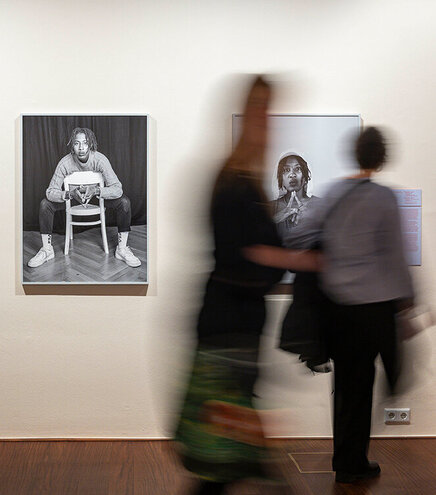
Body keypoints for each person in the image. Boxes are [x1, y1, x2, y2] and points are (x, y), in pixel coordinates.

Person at [175, 76, 320, 495]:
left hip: (239, 324)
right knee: (225, 452)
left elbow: (256, 251)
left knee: (227, 453)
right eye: (263, 114)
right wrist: (302, 260)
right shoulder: (235, 183)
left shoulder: (246, 182)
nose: (269, 124)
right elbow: (244, 252)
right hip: (228, 326)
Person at [284, 127, 414, 483]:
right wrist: (408, 305)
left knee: (346, 386)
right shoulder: (384, 198)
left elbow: (298, 236)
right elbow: (396, 257)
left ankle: (347, 460)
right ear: (381, 158)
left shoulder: (332, 193)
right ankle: (352, 462)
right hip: (374, 309)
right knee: (364, 383)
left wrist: (330, 256)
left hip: (338, 309)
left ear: (355, 153)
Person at [27, 127, 141, 268]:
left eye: (85, 143)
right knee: (45, 204)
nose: (81, 147)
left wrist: (96, 190)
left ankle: (122, 249)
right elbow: (50, 192)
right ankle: (47, 250)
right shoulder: (65, 163)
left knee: (124, 202)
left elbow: (117, 189)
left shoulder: (100, 160)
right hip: (73, 199)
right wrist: (70, 194)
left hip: (97, 198)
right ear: (72, 145)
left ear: (91, 144)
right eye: (77, 143)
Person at [271, 152, 318, 237]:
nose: (292, 175)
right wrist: (276, 219)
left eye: (297, 169)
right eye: (286, 170)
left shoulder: (319, 204)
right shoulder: (270, 207)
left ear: (305, 177)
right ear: (281, 178)